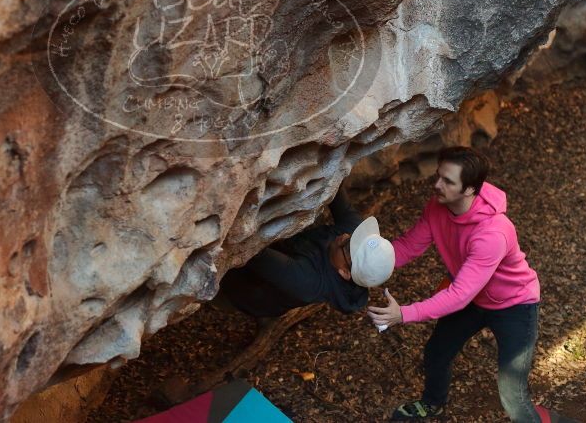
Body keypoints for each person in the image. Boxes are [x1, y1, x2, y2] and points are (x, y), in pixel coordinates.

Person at [367, 146, 541, 423]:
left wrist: (404, 314)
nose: (437, 185)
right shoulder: (438, 205)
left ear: (470, 189)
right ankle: (433, 404)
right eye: (438, 176)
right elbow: (408, 247)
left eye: (448, 181)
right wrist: (366, 264)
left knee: (512, 391)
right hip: (474, 299)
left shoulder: (492, 233)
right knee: (437, 352)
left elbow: (459, 295)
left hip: (514, 305)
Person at [219, 191, 395, 319]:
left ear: (344, 272)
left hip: (242, 288)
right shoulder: (355, 239)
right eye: (356, 237)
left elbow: (250, 251)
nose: (345, 237)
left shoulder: (310, 283)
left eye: (348, 245)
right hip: (283, 255)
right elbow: (337, 188)